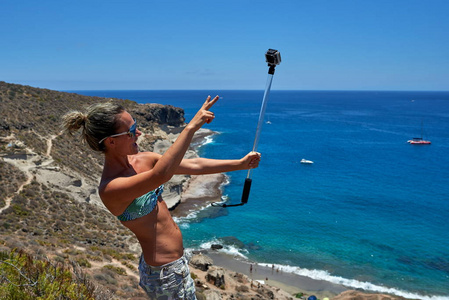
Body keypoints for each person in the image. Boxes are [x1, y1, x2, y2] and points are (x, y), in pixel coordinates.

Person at [62, 95, 261, 299]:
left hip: (174, 265)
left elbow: (193, 165)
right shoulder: (112, 188)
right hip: (163, 275)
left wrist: (240, 164)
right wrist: (190, 128)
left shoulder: (142, 159)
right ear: (111, 142)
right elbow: (161, 175)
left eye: (136, 126)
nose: (139, 133)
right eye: (131, 132)